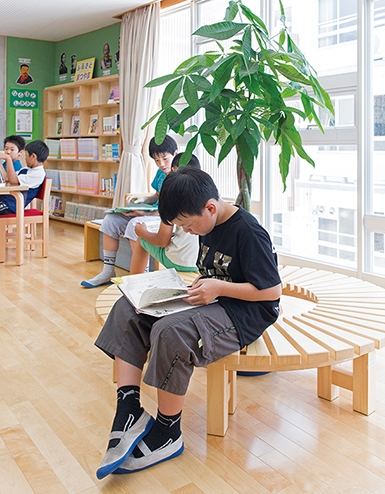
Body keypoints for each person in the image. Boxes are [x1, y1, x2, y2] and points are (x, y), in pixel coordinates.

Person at [94, 167, 282, 478]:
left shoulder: (249, 232)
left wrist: (218, 288)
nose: (188, 231)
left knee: (171, 333)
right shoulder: (206, 223)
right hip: (212, 300)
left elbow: (272, 292)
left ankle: (168, 431)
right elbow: (211, 273)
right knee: (128, 308)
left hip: (246, 312)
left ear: (210, 208)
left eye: (188, 225)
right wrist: (204, 288)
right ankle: (129, 409)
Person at [81, 135, 178, 288]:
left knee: (135, 224)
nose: (161, 164)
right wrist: (140, 200)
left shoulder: (179, 177)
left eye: (165, 159)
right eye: (156, 160)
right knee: (111, 220)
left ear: (175, 154)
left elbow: (173, 212)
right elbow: (156, 196)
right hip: (151, 213)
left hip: (163, 218)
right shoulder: (161, 173)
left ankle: (142, 275)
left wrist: (145, 214)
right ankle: (108, 271)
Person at [130, 153, 201, 274]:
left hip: (180, 261)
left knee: (142, 239)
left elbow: (162, 241)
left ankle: (135, 281)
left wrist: (141, 231)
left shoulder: (172, 197)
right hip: (201, 261)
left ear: (173, 170)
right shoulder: (207, 195)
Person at [0, 140, 49, 215]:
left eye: (26, 156)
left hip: (11, 206)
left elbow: (13, 181)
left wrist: (8, 159)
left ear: (33, 156)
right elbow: (7, 178)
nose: (25, 159)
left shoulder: (38, 174)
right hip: (5, 201)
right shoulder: (27, 169)